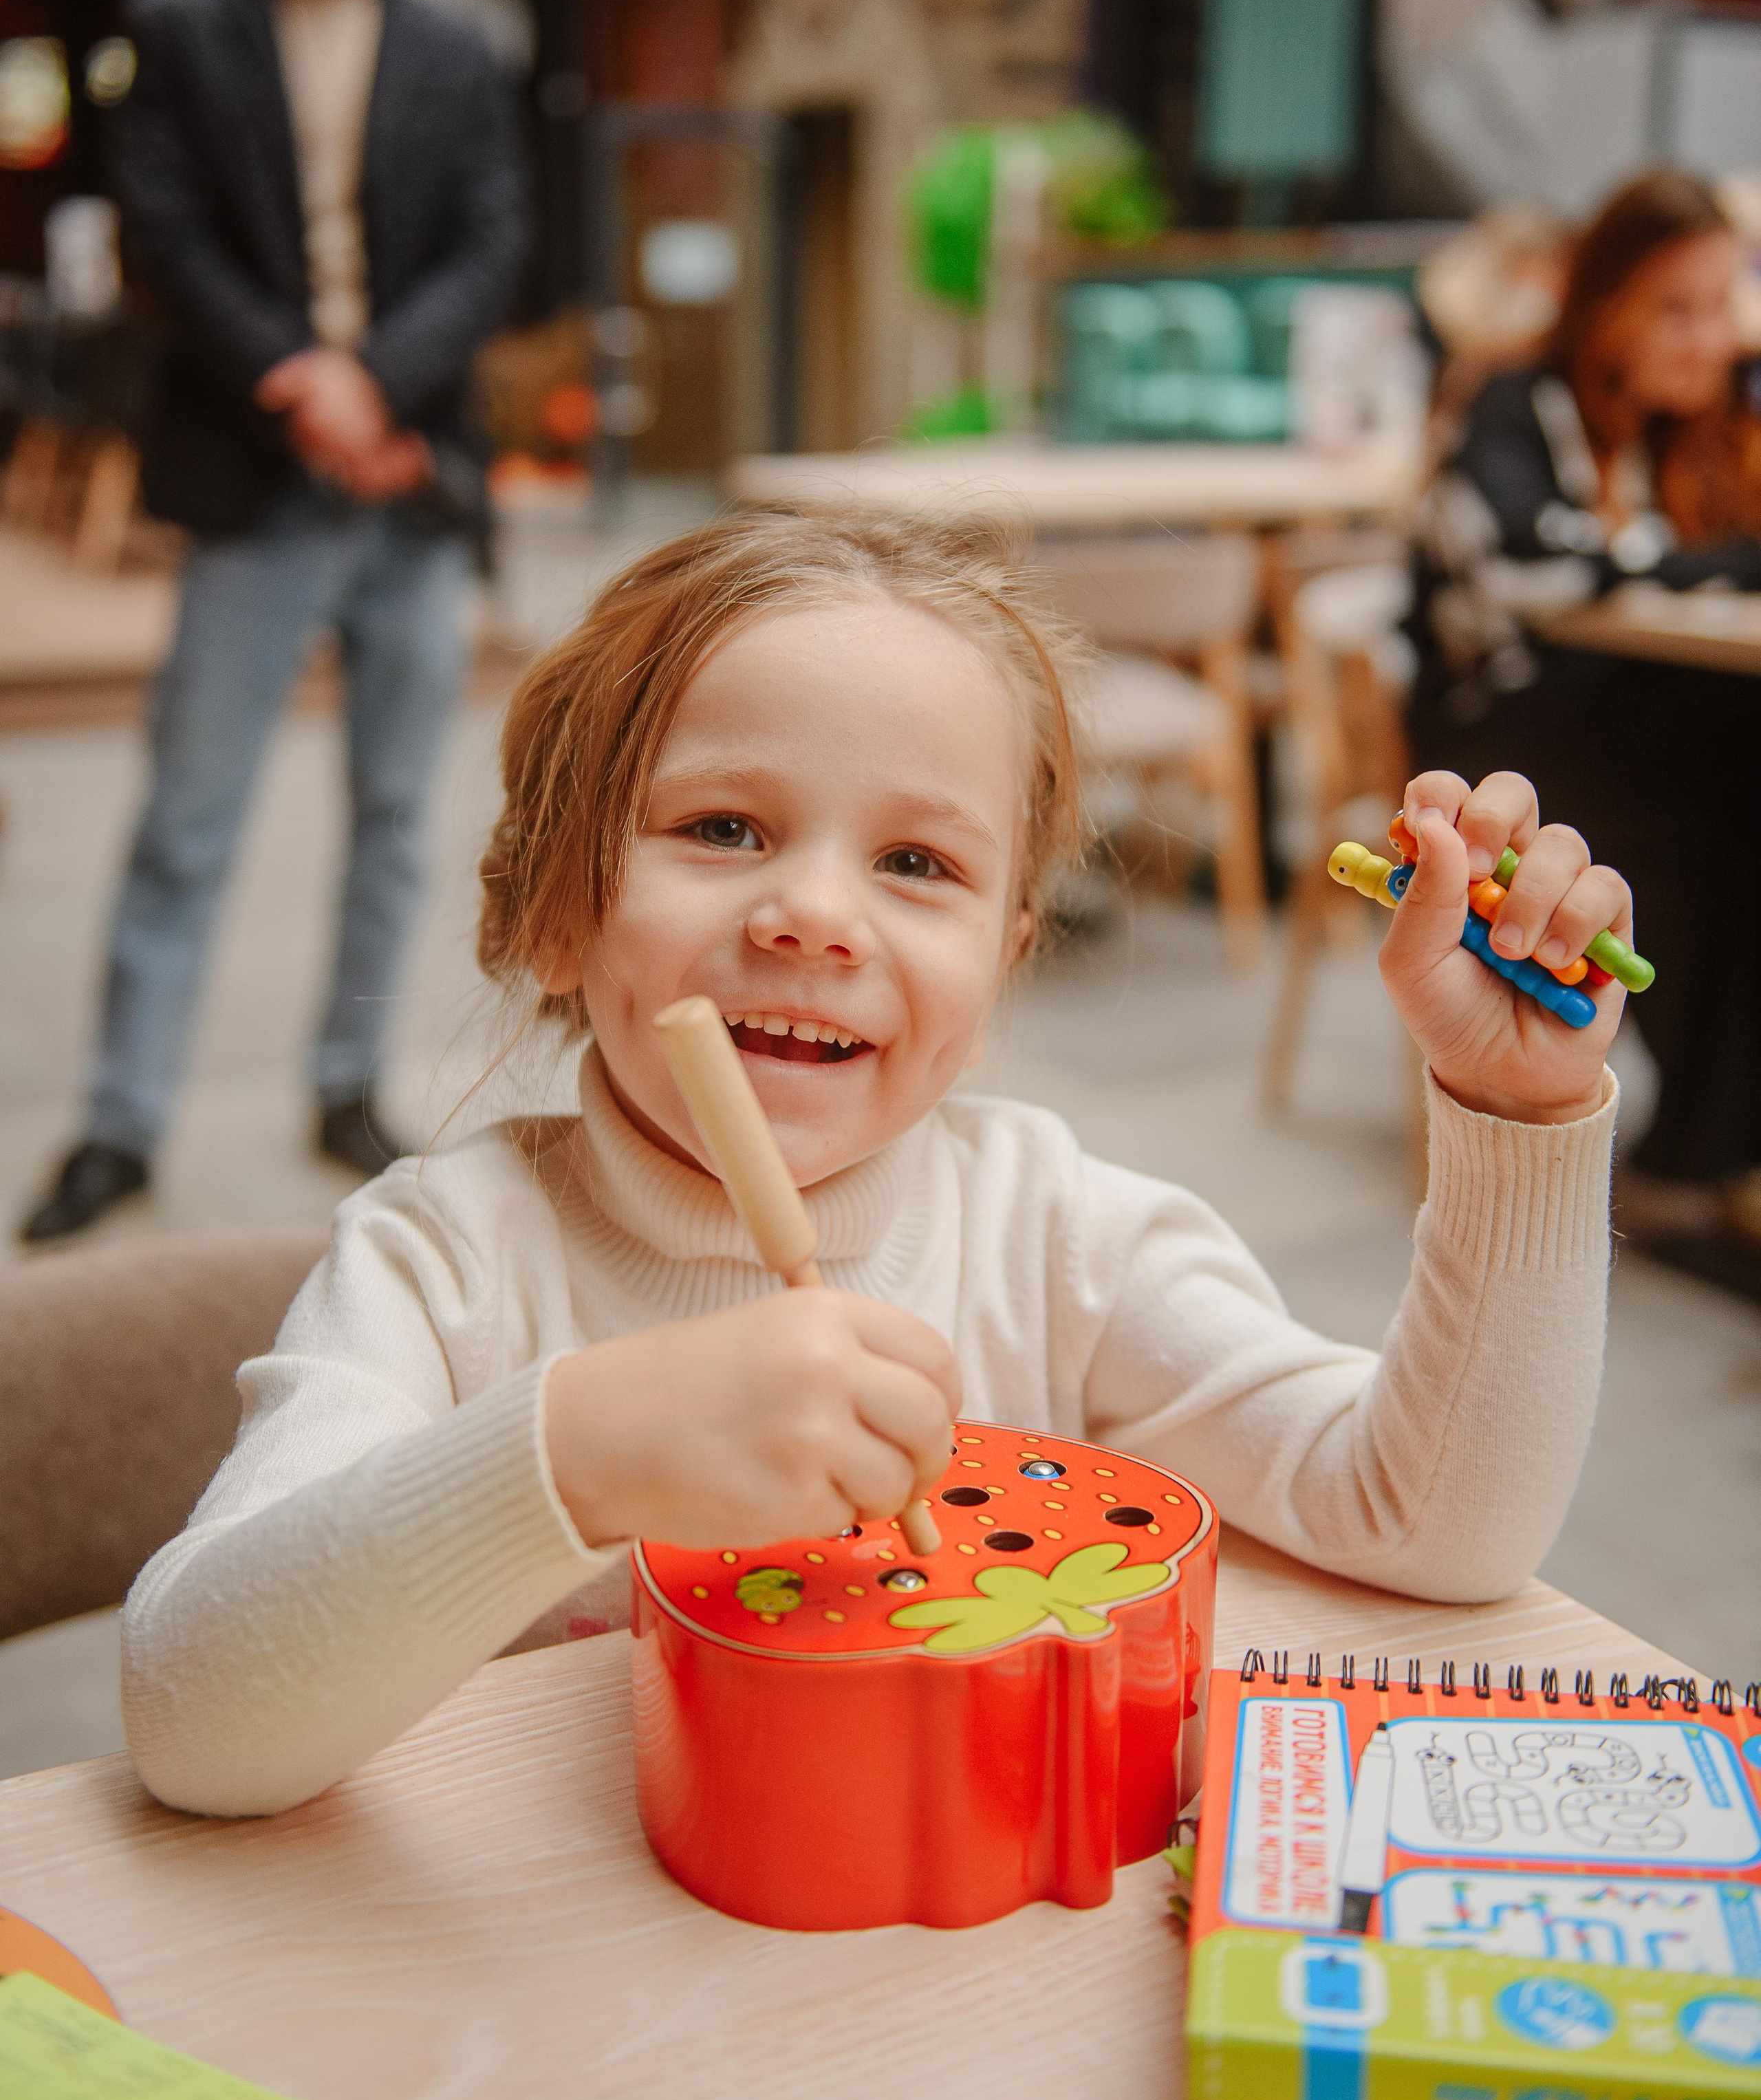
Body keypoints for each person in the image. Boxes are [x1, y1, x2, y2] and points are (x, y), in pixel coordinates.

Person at [120, 509, 1630, 1819]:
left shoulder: (1058, 1237)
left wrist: (1517, 1116)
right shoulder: (441, 1262)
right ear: (558, 914)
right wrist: (573, 1454)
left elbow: (1434, 1525)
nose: (816, 917)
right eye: (724, 827)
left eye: (917, 865)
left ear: (1001, 965)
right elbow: (193, 1724)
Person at [21, 0, 529, 1244]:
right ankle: (121, 1124)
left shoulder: (456, 46)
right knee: (189, 819)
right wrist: (305, 381)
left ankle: (345, 1085)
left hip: (413, 484)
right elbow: (162, 233)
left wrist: (373, 385)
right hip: (253, 483)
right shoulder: (180, 23)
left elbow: (492, 245)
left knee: (396, 817)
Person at [1406, 168, 1761, 1278]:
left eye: (1722, 305)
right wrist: (1704, 561)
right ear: (1603, 304)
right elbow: (1532, 568)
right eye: (1675, 308)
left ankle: (1712, 1144)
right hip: (1496, 730)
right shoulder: (1517, 401)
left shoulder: (1704, 430)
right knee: (1728, 796)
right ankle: (1698, 1155)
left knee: (1735, 780)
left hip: (1648, 714)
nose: (1708, 338)